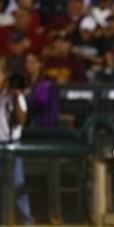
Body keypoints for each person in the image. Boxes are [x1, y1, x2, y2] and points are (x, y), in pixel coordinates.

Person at [0, 68, 34, 225]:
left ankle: (25, 220)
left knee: (18, 184)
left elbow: (21, 119)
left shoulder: (16, 95)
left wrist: (15, 95)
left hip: (12, 147)